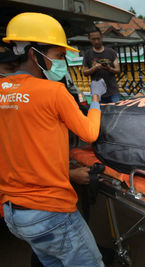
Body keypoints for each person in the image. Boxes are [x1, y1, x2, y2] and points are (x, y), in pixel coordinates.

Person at [0, 12, 105, 266]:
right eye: (58, 56)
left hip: (13, 213)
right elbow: (90, 133)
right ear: (34, 54)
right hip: (50, 211)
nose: (62, 63)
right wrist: (95, 100)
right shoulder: (53, 92)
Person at [83, 27, 120, 103]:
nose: (96, 41)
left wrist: (109, 68)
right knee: (100, 114)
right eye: (93, 39)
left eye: (98, 38)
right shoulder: (87, 54)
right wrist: (94, 68)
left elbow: (118, 70)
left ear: (102, 38)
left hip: (113, 92)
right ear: (89, 39)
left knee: (117, 113)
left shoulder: (111, 52)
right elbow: (85, 72)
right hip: (97, 94)